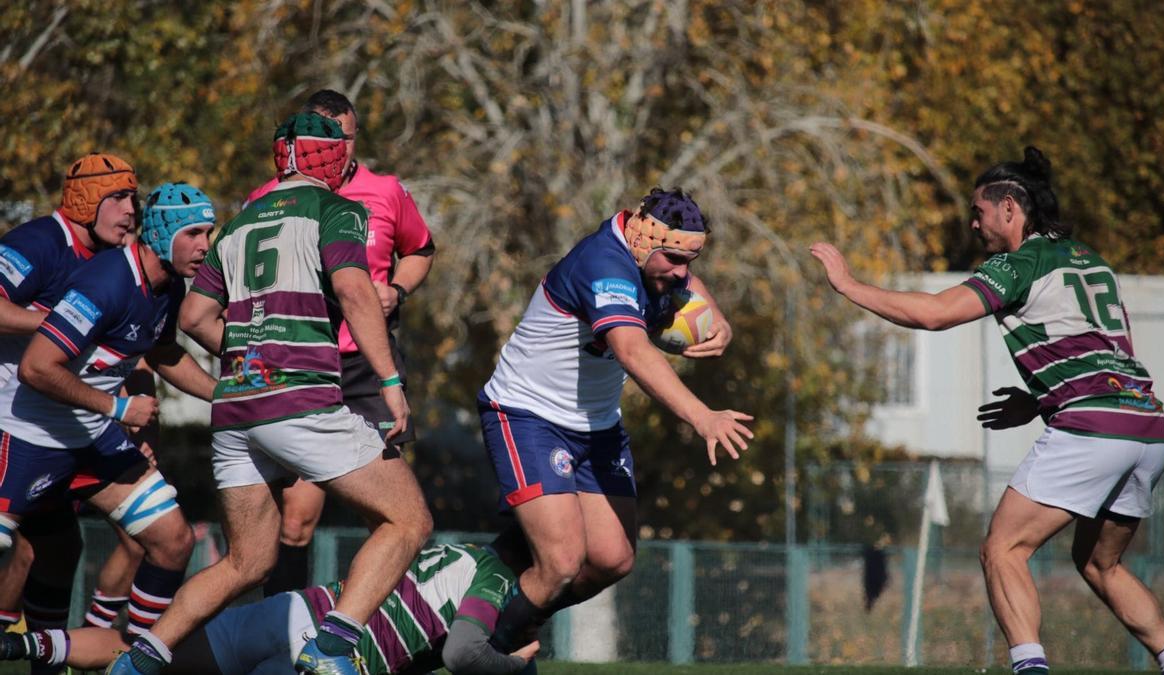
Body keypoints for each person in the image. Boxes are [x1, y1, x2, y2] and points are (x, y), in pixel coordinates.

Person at [809, 146, 1164, 675]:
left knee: (1003, 549)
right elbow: (1094, 350)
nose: (973, 223)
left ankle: (1029, 670)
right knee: (1101, 563)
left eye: (979, 211)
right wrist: (1041, 400)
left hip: (1093, 428)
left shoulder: (1018, 263)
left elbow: (935, 315)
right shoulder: (1089, 259)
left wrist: (849, 285)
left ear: (1010, 208)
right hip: (1147, 427)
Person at [108, 112, 433, 675]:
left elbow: (193, 315)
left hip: (235, 408)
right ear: (332, 159)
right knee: (409, 520)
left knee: (247, 560)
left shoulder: (238, 225)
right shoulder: (338, 210)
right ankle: (330, 649)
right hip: (300, 399)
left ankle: (138, 661)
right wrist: (390, 382)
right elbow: (356, 293)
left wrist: (250, 352)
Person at [479, 187, 754, 648]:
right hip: (527, 414)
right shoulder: (603, 264)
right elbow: (631, 350)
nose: (682, 272)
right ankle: (489, 643)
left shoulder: (655, 263)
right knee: (563, 561)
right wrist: (701, 416)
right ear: (645, 240)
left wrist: (720, 321)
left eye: (690, 260)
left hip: (597, 426)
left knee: (612, 559)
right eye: (674, 258)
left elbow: (688, 284)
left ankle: (510, 612)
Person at [0, 181, 219, 667]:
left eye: (209, 232)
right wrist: (117, 409)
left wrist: (224, 394)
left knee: (172, 540)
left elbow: (162, 352)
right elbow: (37, 367)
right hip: (27, 434)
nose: (205, 245)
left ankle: (135, 662)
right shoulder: (106, 283)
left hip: (89, 438)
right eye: (195, 233)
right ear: (162, 235)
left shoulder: (168, 287)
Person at [243, 89, 436, 597]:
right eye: (321, 137)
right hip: (302, 365)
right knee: (296, 521)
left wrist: (396, 290)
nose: (337, 148)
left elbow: (420, 250)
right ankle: (282, 634)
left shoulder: (386, 191)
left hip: (368, 369)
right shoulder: (267, 198)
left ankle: (384, 633)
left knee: (393, 515)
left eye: (345, 137)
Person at [0, 154, 143, 650]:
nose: (131, 210)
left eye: (134, 198)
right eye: (119, 197)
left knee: (59, 549)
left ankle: (45, 656)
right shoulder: (39, 242)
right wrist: (56, 326)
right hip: (14, 422)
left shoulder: (111, 262)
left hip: (62, 428)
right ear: (86, 201)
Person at [3, 543, 540, 674]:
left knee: (146, 650)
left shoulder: (448, 550)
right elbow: (466, 653)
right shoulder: (496, 577)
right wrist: (516, 664)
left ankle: (19, 644)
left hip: (296, 610)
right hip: (333, 655)